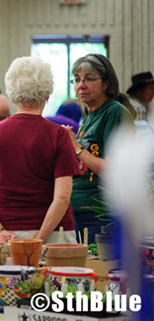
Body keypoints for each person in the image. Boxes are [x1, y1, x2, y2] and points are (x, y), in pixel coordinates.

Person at [0, 56, 80, 244]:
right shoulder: (58, 136)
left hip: (8, 236)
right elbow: (62, 197)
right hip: (54, 236)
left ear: (12, 94)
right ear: (47, 95)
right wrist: (39, 239)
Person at [63, 53, 134, 245]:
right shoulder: (88, 117)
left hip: (101, 213)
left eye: (89, 79)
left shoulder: (115, 112)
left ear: (106, 83)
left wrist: (76, 147)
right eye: (77, 79)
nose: (81, 85)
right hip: (79, 210)